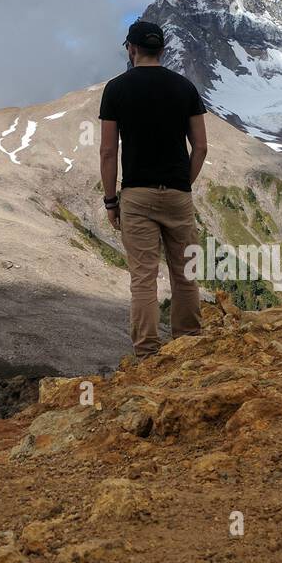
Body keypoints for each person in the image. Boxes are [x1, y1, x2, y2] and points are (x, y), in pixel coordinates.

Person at [98, 20, 208, 357]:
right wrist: (181, 185)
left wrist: (111, 201)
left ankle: (147, 353)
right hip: (177, 195)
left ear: (131, 49)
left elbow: (107, 151)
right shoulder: (185, 88)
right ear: (162, 49)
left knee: (143, 279)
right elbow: (201, 147)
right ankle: (188, 345)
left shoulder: (115, 89)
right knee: (185, 274)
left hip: (136, 196)